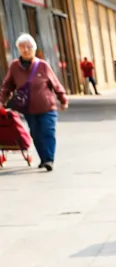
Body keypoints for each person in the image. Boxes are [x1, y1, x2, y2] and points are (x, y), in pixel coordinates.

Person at [1, 34, 68, 171]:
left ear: (34, 49)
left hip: (47, 106)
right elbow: (7, 86)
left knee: (48, 131)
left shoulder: (42, 65)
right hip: (29, 109)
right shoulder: (14, 66)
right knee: (36, 133)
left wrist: (63, 99)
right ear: (18, 49)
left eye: (29, 47)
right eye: (22, 47)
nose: (26, 50)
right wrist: (1, 101)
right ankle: (44, 158)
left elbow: (55, 83)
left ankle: (49, 159)